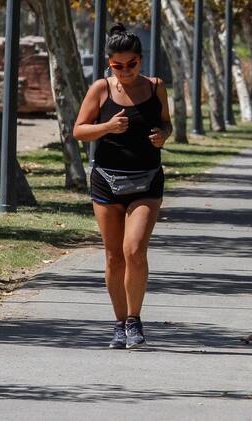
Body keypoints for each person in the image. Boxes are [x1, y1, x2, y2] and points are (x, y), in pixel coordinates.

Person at [73, 24, 172, 349]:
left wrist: (163, 135)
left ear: (141, 60)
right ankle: (119, 323)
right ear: (109, 63)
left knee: (134, 250)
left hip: (146, 179)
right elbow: (79, 130)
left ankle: (134, 318)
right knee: (114, 256)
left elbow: (166, 122)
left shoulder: (156, 87)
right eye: (118, 65)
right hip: (107, 179)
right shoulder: (100, 89)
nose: (126, 71)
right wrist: (107, 126)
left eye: (132, 64)